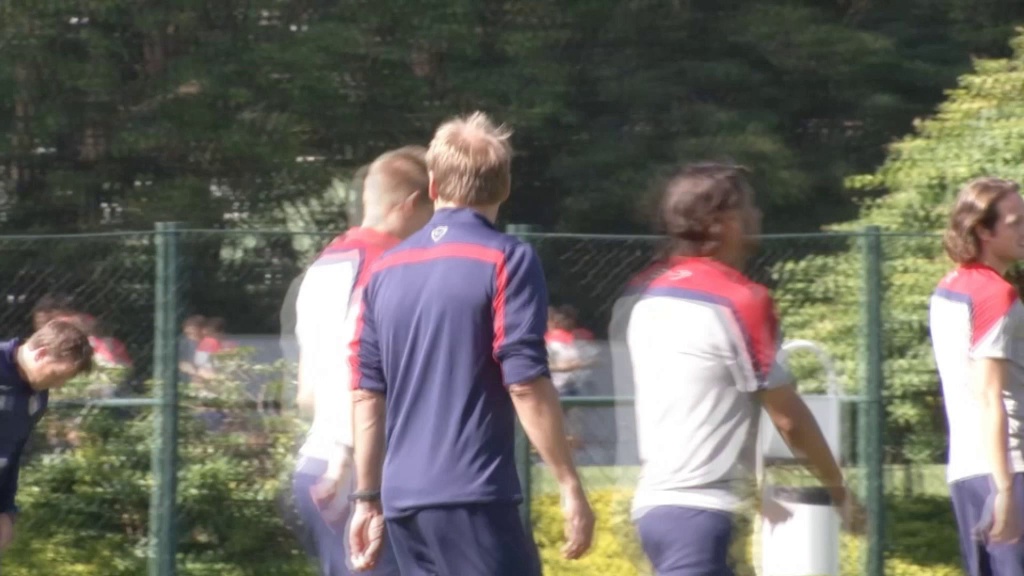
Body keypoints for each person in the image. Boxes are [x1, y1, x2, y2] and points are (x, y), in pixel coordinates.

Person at [348, 112, 594, 575]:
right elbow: (524, 381)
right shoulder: (507, 258)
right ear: (505, 187)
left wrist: (367, 498)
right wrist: (568, 482)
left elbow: (366, 392)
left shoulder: (383, 270)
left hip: (403, 503)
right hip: (473, 494)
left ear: (434, 185)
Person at [609, 163, 860, 575]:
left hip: (657, 509)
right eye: (749, 206)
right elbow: (789, 419)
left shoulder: (646, 293)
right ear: (722, 222)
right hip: (702, 514)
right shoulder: (740, 300)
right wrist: (838, 489)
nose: (757, 214)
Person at [290, 145, 434, 576]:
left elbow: (307, 394)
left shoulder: (322, 266)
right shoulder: (393, 268)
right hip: (367, 472)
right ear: (411, 204)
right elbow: (366, 378)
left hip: (319, 463)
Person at [930, 177, 1024, 576]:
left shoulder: (949, 287)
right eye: (1016, 223)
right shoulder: (995, 294)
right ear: (983, 230)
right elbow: (990, 397)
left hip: (967, 471)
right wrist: (1005, 491)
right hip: (1009, 470)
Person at [0, 319, 93, 553]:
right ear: (41, 354)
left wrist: (6, 512)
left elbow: (11, 455)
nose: (59, 385)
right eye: (57, 375)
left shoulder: (37, 397)